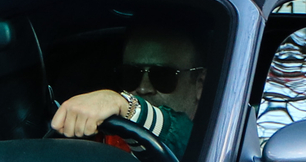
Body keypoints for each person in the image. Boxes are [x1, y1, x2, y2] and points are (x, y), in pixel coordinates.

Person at [49, 23, 207, 154]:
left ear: (200, 83)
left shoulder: (217, 140)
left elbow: (182, 135)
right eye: (132, 75)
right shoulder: (101, 136)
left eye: (163, 76)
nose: (143, 88)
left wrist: (126, 106)